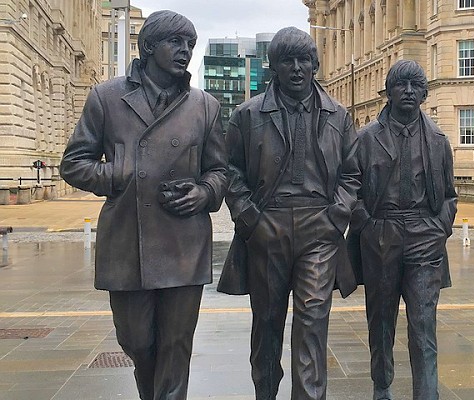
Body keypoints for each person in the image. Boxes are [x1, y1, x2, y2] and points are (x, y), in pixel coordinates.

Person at [60, 10, 227, 400]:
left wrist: (204, 192)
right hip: (126, 244)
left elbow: (222, 171)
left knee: (176, 345)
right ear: (149, 46)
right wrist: (118, 174)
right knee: (136, 342)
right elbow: (74, 164)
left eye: (190, 44)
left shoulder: (205, 105)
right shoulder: (107, 97)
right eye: (175, 42)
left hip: (184, 243)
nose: (185, 50)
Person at [219, 26, 359, 400]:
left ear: (315, 64)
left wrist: (337, 216)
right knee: (267, 323)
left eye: (304, 60)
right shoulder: (248, 115)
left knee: (313, 321)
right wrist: (249, 219)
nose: (297, 68)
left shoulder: (338, 116)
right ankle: (265, 391)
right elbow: (230, 170)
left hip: (320, 227)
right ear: (273, 67)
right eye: (287, 61)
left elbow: (352, 173)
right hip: (268, 226)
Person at [349, 60, 457, 400]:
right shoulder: (366, 138)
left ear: (425, 93)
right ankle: (382, 386)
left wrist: (441, 226)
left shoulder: (438, 139)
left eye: (415, 86)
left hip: (426, 234)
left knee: (423, 323)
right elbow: (350, 189)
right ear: (389, 92)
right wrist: (366, 224)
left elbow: (450, 195)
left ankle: (427, 394)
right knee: (381, 321)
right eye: (401, 85)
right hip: (381, 231)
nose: (408, 91)